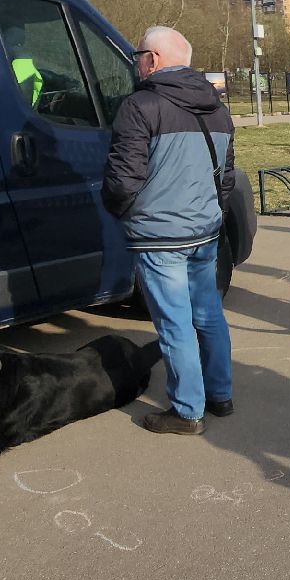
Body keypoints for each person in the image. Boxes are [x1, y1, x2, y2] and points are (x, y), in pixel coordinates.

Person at [102, 26, 235, 434]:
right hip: (204, 231)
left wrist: (122, 212)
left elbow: (123, 179)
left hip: (160, 236)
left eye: (138, 54)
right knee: (208, 314)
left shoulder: (140, 106)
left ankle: (187, 411)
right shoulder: (218, 107)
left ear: (154, 59)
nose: (136, 61)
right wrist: (209, 212)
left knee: (175, 323)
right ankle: (220, 396)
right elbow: (226, 177)